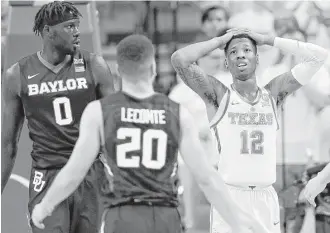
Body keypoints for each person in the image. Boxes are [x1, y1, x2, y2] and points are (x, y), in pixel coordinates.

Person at [31, 34, 266, 233]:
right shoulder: (177, 112)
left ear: (118, 71)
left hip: (122, 216)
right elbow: (205, 177)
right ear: (153, 68)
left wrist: (45, 205)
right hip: (165, 216)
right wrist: (238, 221)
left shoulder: (99, 112)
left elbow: (75, 171)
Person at [171, 28, 329, 233]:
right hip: (230, 197)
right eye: (233, 52)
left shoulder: (273, 94)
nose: (240, 54)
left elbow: (319, 56)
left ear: (257, 58)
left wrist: (267, 39)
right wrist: (219, 40)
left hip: (266, 197)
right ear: (226, 62)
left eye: (247, 49)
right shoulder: (219, 96)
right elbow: (179, 59)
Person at [1, 1, 115, 233]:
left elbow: (114, 127)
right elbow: (7, 143)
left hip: (89, 174)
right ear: (48, 32)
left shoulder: (96, 65)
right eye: (70, 26)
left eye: (77, 26)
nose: (77, 32)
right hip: (47, 174)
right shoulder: (17, 74)